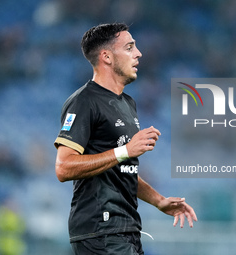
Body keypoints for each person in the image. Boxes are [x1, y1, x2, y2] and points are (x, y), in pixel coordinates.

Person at [54, 23, 197, 255]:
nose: (139, 53)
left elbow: (121, 170)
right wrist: (125, 151)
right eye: (130, 47)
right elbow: (63, 167)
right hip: (100, 228)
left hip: (126, 229)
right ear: (107, 57)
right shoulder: (84, 101)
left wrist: (159, 201)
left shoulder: (127, 103)